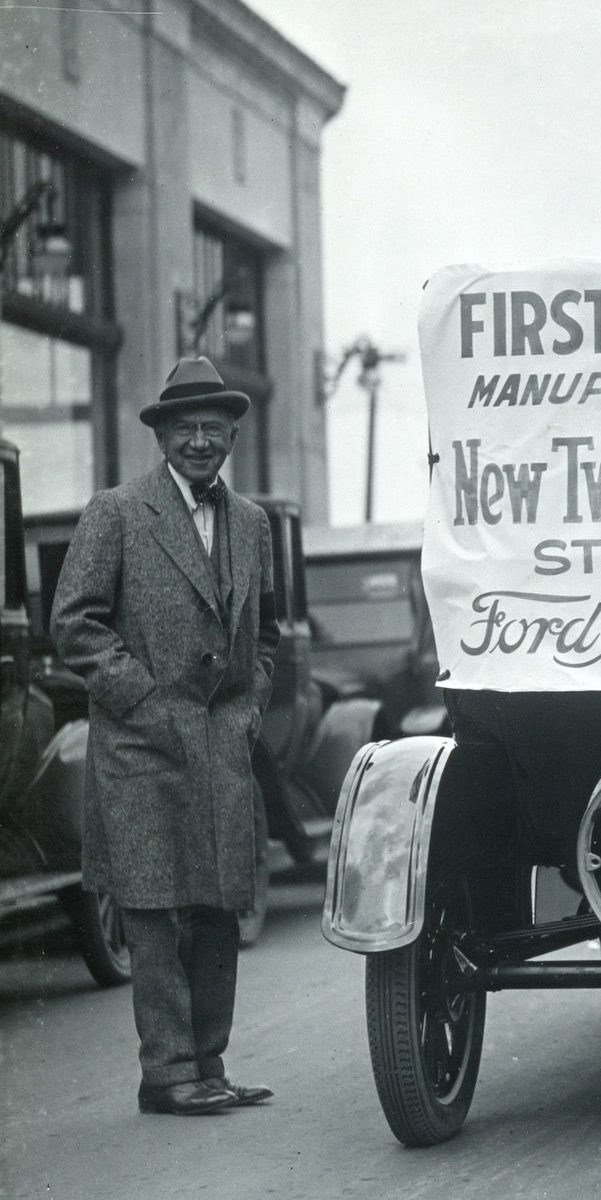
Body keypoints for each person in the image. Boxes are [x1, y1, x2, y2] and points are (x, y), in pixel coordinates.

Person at [52, 357, 278, 1116]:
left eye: (215, 428)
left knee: (219, 908)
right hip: (142, 747)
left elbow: (266, 632)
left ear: (234, 435)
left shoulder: (251, 522)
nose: (201, 441)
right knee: (152, 912)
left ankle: (207, 1068)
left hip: (222, 746)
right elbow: (74, 625)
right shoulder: (116, 512)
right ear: (163, 436)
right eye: (187, 428)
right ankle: (167, 1073)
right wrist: (143, 702)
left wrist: (251, 704)